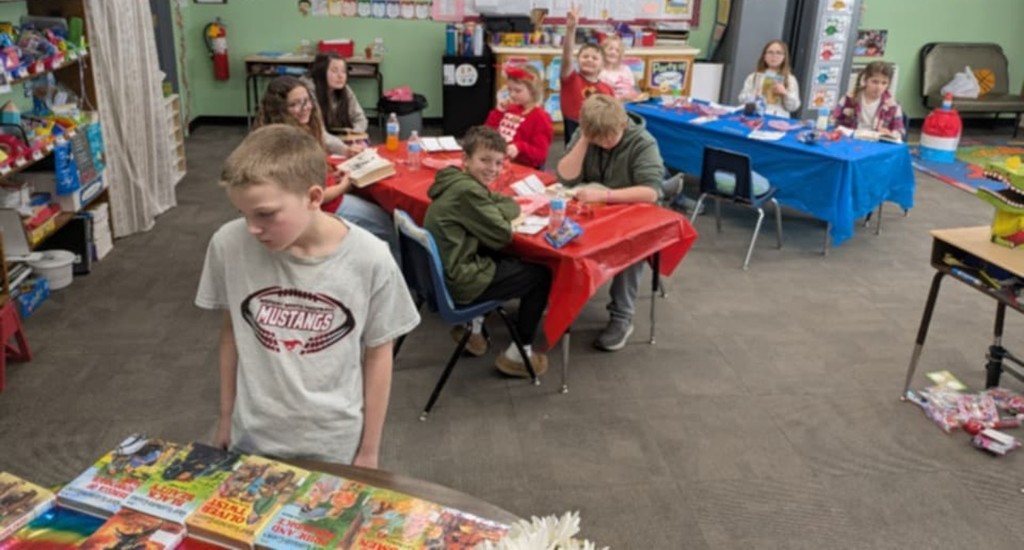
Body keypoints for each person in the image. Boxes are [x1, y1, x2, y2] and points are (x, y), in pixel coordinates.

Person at [195, 124, 420, 466]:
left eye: (265, 214)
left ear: (315, 198)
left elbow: (378, 354)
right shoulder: (229, 244)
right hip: (252, 436)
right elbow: (232, 333)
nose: (252, 228)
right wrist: (226, 417)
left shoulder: (370, 258)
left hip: (335, 443)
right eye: (243, 213)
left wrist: (369, 450)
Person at [424, 126, 552, 377]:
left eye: (498, 163)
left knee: (502, 255)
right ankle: (519, 355)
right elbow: (502, 233)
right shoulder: (468, 191)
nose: (492, 169)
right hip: (461, 279)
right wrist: (497, 210)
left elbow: (499, 202)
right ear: (465, 159)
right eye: (484, 160)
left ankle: (474, 330)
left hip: (447, 270)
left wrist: (495, 207)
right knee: (541, 275)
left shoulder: (456, 181)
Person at [556, 95, 662, 352]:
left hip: (629, 210)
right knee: (555, 233)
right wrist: (584, 139)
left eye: (608, 138)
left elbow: (650, 192)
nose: (603, 144)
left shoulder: (643, 143)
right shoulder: (588, 133)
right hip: (593, 209)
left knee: (631, 248)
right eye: (597, 139)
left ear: (622, 124)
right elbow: (565, 177)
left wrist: (605, 195)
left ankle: (622, 316)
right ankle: (556, 298)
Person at [255, 76, 397, 260]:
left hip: (324, 196)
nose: (305, 107)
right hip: (325, 206)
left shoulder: (293, 132)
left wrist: (331, 175)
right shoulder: (291, 144)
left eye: (306, 101)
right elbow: (312, 197)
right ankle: (393, 274)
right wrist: (345, 185)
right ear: (279, 109)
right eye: (295, 104)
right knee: (385, 223)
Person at [559, 2, 613, 145]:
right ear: (578, 60)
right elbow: (567, 57)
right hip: (575, 126)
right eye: (585, 56)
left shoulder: (607, 89)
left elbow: (613, 114)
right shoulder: (571, 79)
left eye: (594, 58)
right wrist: (571, 29)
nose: (589, 59)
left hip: (599, 129)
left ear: (602, 65)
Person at [484, 65, 553, 169]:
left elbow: (540, 155)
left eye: (518, 91)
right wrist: (498, 112)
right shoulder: (509, 108)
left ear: (533, 91)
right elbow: (486, 133)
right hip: (498, 163)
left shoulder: (541, 118)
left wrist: (520, 147)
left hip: (522, 168)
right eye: (509, 90)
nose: (512, 94)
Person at [831, 61, 905, 138]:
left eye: (884, 83)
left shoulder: (893, 106)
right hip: (851, 140)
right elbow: (833, 121)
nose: (879, 87)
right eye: (875, 82)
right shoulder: (849, 99)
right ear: (865, 80)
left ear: (888, 84)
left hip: (876, 142)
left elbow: (899, 131)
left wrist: (890, 133)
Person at [309, 53, 370, 136]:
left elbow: (360, 118)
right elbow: (318, 130)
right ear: (321, 72)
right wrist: (341, 144)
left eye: (343, 71)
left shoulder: (345, 89)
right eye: (334, 71)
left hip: (335, 136)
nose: (340, 76)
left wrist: (354, 131)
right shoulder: (308, 91)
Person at [737, 40, 801, 118]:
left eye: (778, 53)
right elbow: (741, 99)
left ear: (784, 57)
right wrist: (753, 96)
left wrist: (785, 93)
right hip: (754, 117)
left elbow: (793, 107)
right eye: (770, 52)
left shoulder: (790, 79)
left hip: (777, 119)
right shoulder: (753, 77)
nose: (774, 56)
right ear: (764, 56)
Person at [598, 35, 640, 102]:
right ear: (602, 51)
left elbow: (634, 89)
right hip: (611, 105)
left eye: (617, 50)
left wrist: (636, 96)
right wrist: (622, 98)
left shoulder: (626, 69)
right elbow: (601, 98)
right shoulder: (599, 73)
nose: (613, 52)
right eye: (610, 49)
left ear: (620, 55)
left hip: (630, 104)